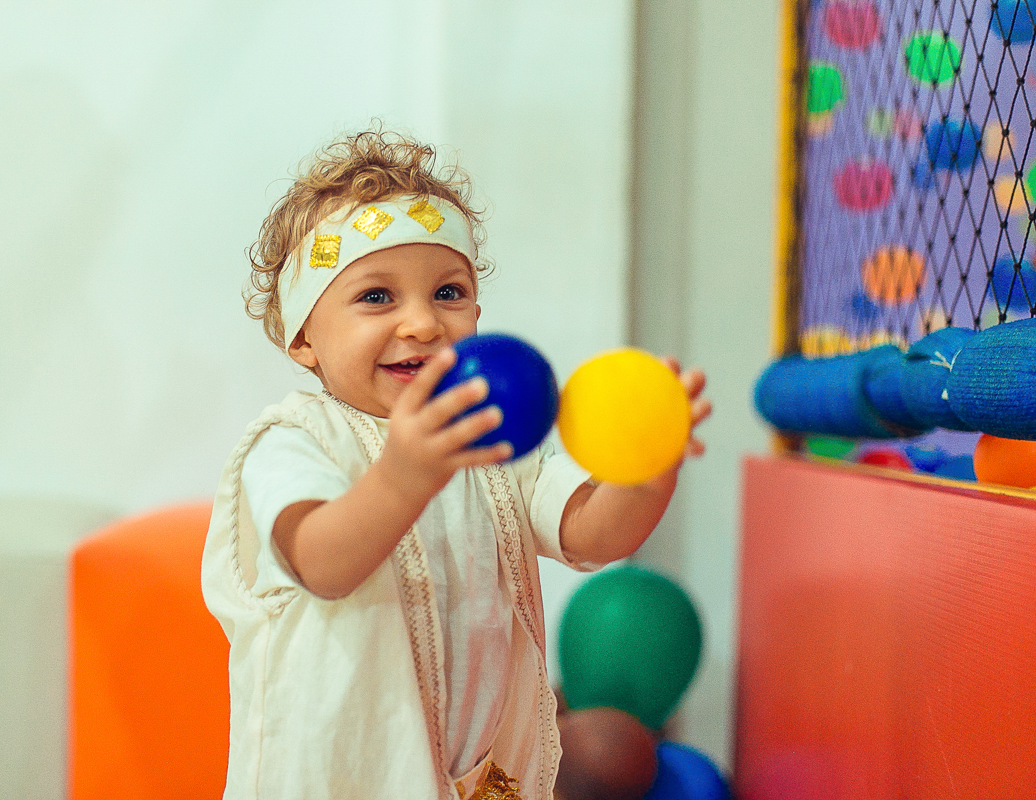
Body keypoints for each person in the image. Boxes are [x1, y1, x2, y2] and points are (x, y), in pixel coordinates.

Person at [201, 128, 710, 800]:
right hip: (340, 776)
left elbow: (594, 532)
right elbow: (321, 562)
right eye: (377, 297)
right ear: (303, 337)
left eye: (448, 293)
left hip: (480, 778)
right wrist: (405, 474)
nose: (422, 323)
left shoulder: (491, 446)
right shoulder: (293, 442)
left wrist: (648, 467)